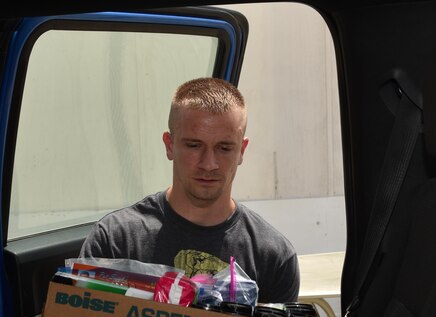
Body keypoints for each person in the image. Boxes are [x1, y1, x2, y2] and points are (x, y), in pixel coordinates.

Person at [79, 77, 300, 304]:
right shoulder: (116, 240)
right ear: (169, 145)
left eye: (224, 148)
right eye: (194, 146)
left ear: (242, 151)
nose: (209, 163)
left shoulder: (273, 257)